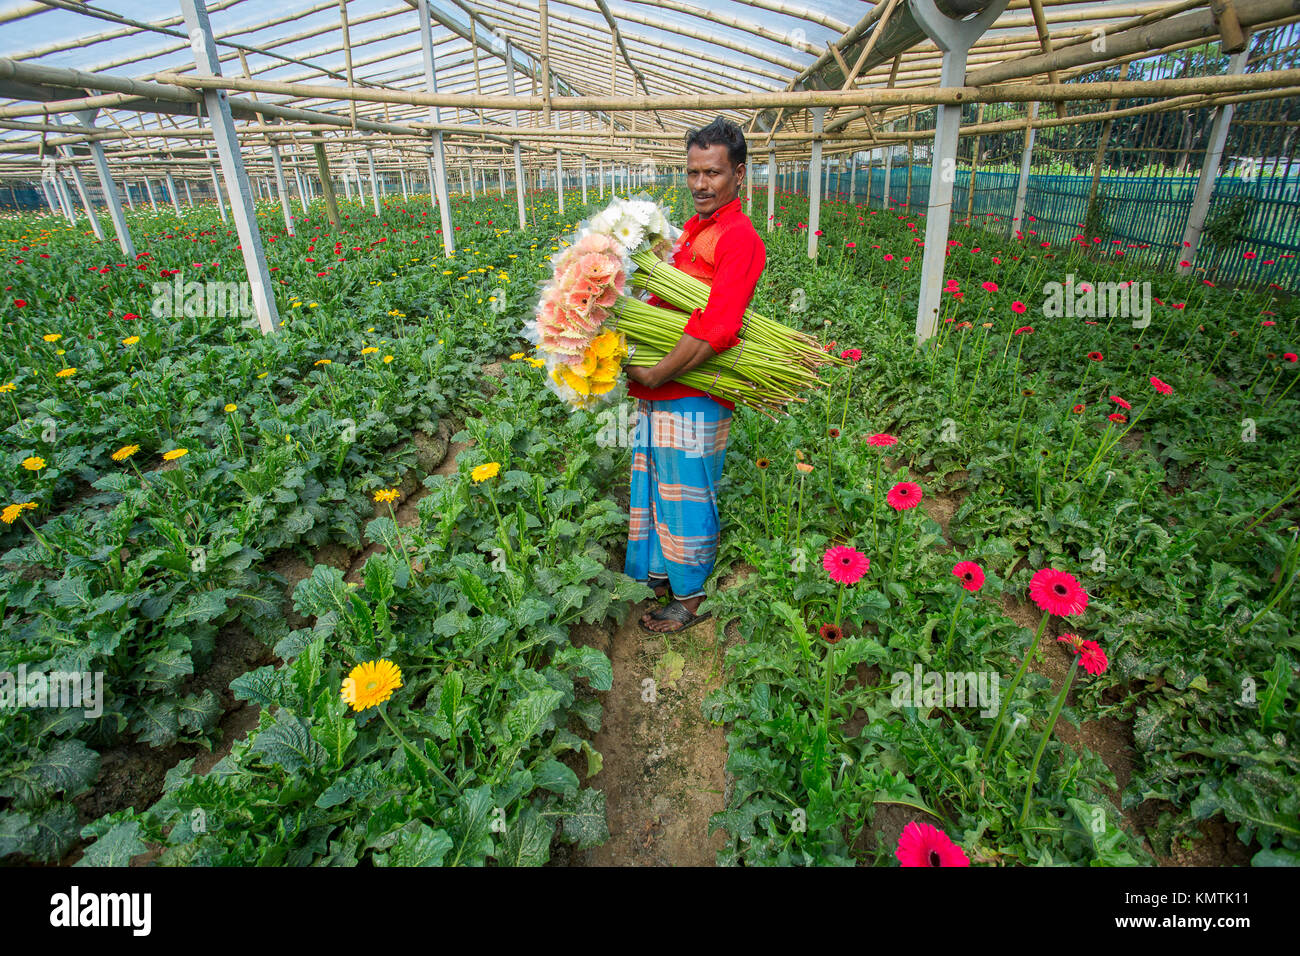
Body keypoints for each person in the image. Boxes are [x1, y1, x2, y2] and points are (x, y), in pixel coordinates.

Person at [623, 116, 767, 634]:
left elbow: (719, 328)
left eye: (713, 173)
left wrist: (658, 373)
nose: (701, 184)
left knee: (688, 492)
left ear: (739, 175)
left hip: (693, 390)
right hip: (662, 388)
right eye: (693, 172)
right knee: (660, 484)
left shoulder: (739, 237)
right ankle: (663, 575)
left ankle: (691, 596)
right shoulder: (692, 233)